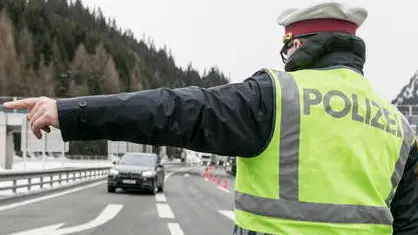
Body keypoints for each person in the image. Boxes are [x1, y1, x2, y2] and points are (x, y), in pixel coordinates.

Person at [3, 1, 418, 235]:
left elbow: (174, 110)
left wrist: (69, 111)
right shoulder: (396, 126)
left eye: (286, 48)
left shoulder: (276, 96)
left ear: (298, 45)